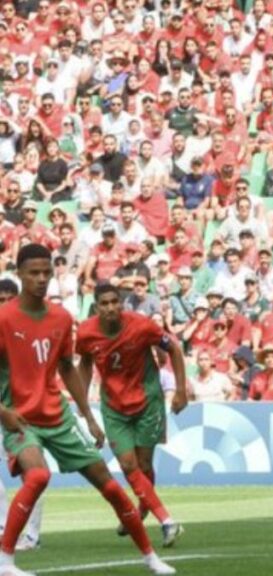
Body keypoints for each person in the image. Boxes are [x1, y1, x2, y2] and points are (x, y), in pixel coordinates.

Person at [0, 244, 176, 576]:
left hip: (58, 415)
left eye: (45, 273)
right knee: (37, 475)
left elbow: (67, 368)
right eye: (33, 273)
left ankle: (151, 558)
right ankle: (5, 561)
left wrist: (89, 417)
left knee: (110, 486)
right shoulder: (4, 318)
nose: (40, 279)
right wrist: (2, 412)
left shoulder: (62, 318)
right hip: (20, 417)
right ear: (19, 275)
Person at [76, 283, 189, 545]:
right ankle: (167, 521)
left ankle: (143, 507)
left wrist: (181, 390)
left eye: (115, 301)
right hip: (114, 407)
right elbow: (84, 363)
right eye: (104, 303)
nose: (111, 307)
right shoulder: (85, 333)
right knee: (128, 465)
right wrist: (83, 404)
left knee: (144, 465)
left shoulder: (142, 325)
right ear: (96, 307)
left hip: (147, 402)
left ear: (121, 303)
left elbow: (173, 348)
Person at [0, 280, 43, 552]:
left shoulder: (30, 331)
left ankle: (31, 534)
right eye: (0, 298)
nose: (4, 303)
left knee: (33, 473)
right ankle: (4, 526)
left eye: (9, 298)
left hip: (25, 411)